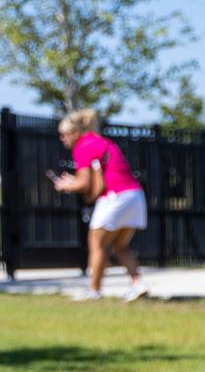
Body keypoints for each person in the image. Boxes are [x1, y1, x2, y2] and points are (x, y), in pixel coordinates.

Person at [53, 109, 149, 302]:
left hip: (115, 197)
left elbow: (85, 183)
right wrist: (75, 181)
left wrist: (66, 184)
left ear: (75, 133)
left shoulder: (83, 146)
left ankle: (93, 290)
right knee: (120, 245)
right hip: (134, 195)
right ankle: (138, 284)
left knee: (97, 244)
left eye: (64, 135)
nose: (62, 139)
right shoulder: (100, 141)